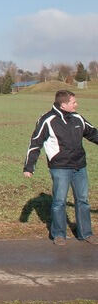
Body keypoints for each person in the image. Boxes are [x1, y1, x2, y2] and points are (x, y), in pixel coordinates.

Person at [24, 90, 98, 245]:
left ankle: (86, 233)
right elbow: (35, 143)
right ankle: (59, 234)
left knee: (83, 200)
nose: (76, 105)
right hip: (60, 168)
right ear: (63, 104)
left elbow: (93, 133)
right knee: (59, 201)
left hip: (80, 166)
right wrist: (29, 166)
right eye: (73, 102)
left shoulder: (77, 118)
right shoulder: (47, 120)